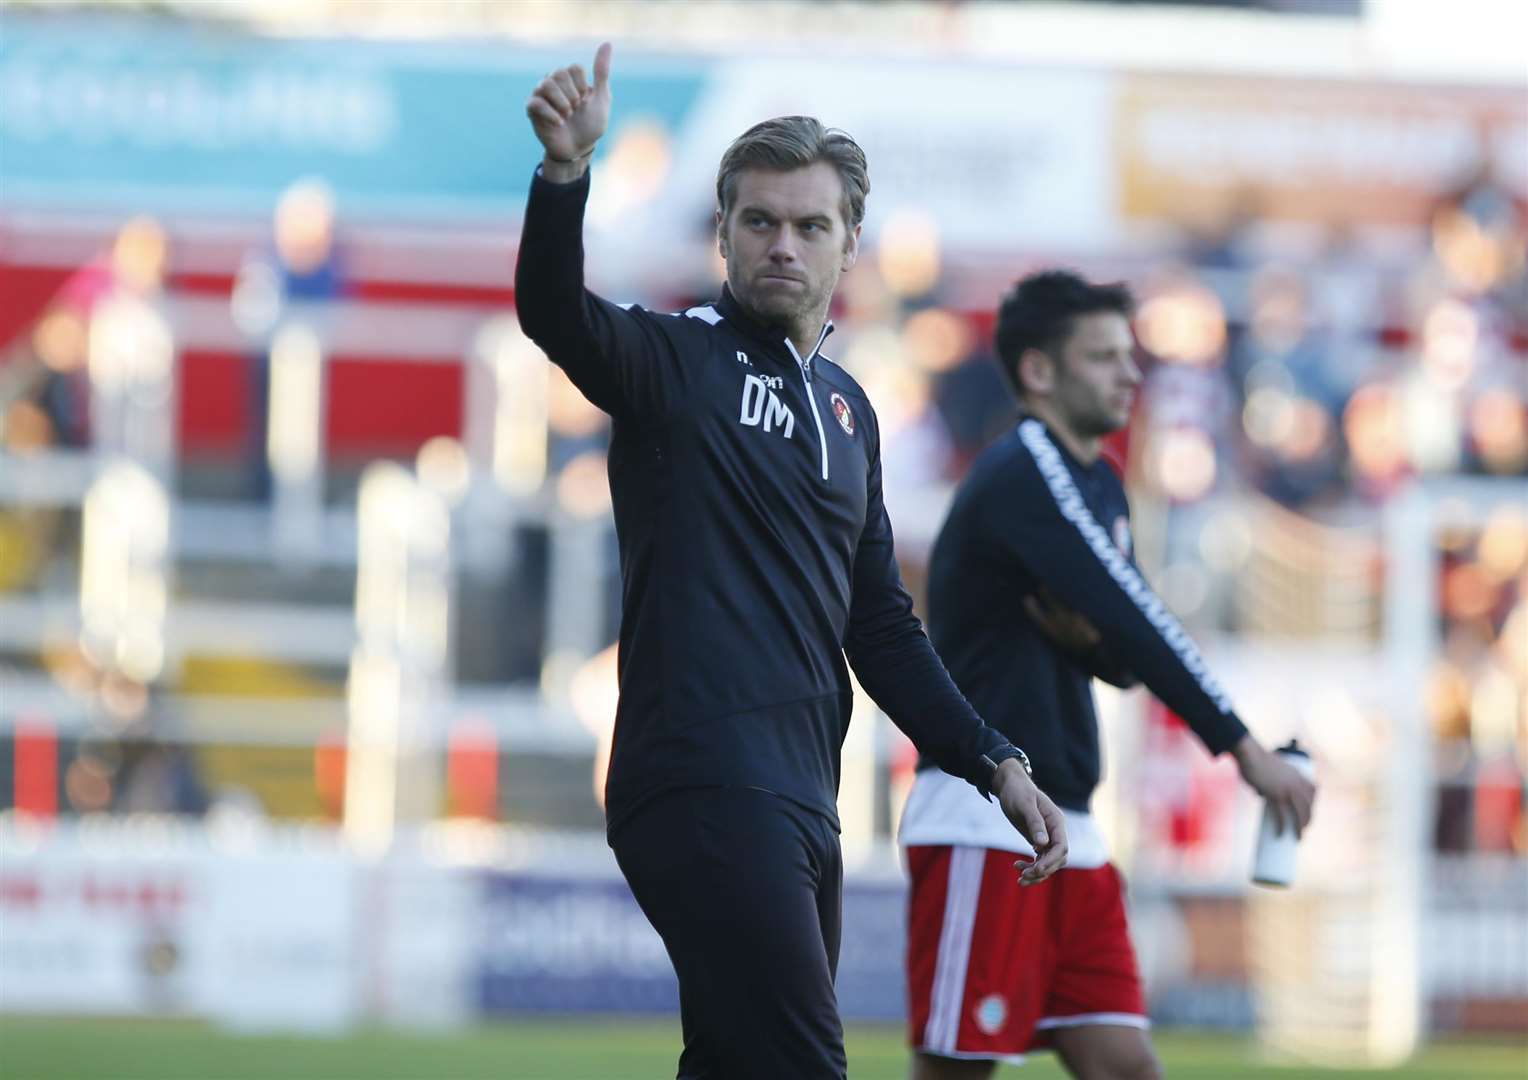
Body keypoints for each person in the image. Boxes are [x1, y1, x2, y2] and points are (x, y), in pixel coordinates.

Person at [517, 44, 1067, 1080]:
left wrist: (994, 760)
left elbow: (880, 626)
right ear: (722, 233)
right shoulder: (675, 360)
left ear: (847, 244)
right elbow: (555, 314)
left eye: (809, 225)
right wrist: (562, 178)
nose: (782, 244)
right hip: (701, 780)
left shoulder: (851, 412)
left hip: (800, 795)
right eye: (758, 221)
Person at [899, 271, 1317, 1080]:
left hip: (1074, 825)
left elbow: (1121, 650)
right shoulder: (1029, 467)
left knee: (1125, 1065)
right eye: (1103, 357)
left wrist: (1099, 645)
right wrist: (1244, 749)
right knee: (956, 1069)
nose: (1131, 374)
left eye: (1130, 355)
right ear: (1038, 372)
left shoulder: (1098, 481)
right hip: (985, 817)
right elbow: (1136, 614)